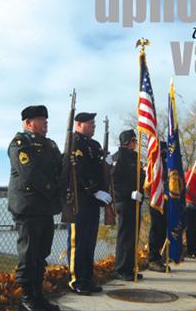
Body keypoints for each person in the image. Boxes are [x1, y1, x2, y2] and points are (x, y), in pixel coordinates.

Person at [7, 105, 63, 311]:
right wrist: (53, 189)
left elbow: (60, 167)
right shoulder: (20, 143)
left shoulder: (50, 144)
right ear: (29, 122)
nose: (46, 122)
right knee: (28, 254)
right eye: (41, 119)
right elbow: (29, 173)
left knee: (41, 253)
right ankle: (26, 297)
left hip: (45, 207)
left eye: (46, 119)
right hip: (28, 207)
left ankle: (38, 296)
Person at [67, 112, 112, 295]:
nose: (94, 126)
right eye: (90, 123)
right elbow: (79, 169)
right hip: (80, 199)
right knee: (78, 242)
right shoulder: (74, 142)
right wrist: (94, 190)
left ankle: (87, 277)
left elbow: (96, 168)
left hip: (94, 201)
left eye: (94, 123)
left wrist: (106, 163)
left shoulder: (94, 145)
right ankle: (76, 280)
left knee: (89, 242)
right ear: (78, 124)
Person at [112, 130, 145, 281]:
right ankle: (120, 269)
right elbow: (115, 182)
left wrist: (140, 194)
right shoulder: (119, 157)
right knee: (125, 236)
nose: (135, 143)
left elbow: (140, 178)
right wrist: (129, 193)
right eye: (133, 140)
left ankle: (130, 268)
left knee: (133, 236)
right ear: (126, 142)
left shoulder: (135, 157)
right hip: (124, 201)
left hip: (135, 201)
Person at [147, 141, 168, 273]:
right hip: (156, 201)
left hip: (166, 201)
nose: (165, 153)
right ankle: (153, 258)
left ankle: (159, 256)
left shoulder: (166, 164)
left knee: (162, 230)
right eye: (164, 150)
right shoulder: (155, 163)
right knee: (156, 229)